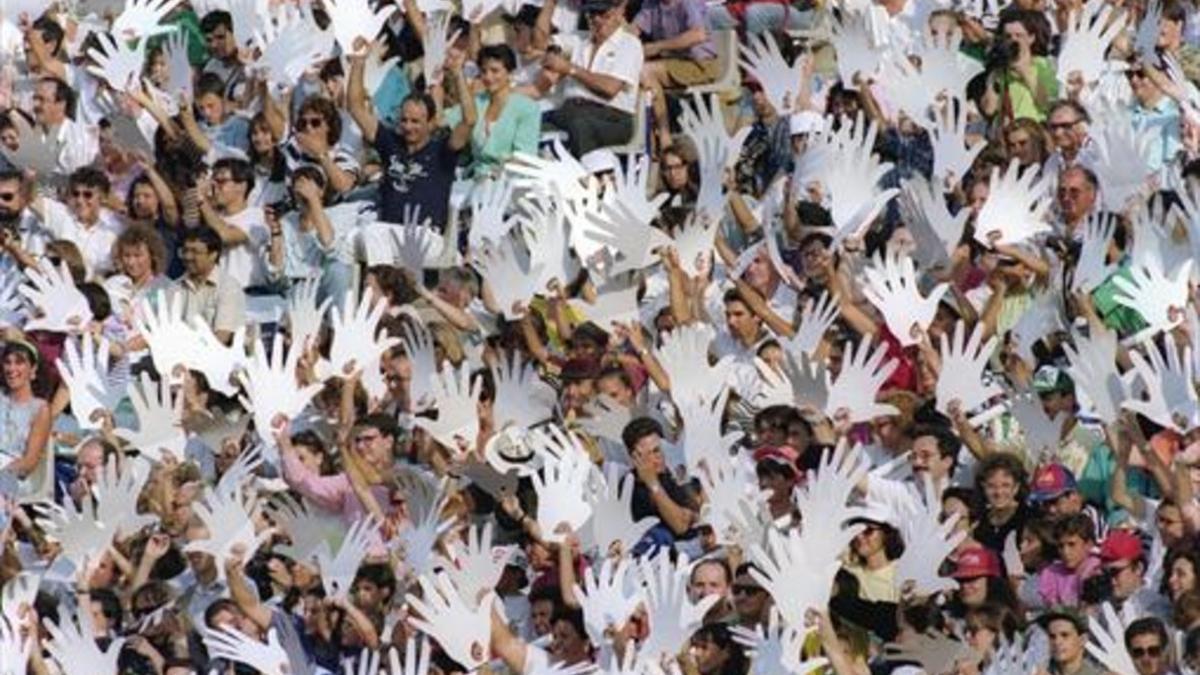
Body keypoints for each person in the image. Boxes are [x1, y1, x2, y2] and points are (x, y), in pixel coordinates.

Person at [541, 0, 645, 155]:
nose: (596, 19)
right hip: (571, 111)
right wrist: (550, 4)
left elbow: (610, 89)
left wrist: (570, 69)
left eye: (603, 14)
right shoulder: (579, 39)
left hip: (612, 117)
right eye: (591, 14)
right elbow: (539, 41)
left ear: (617, 13)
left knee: (580, 126)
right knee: (530, 121)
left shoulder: (629, 44)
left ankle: (585, 176)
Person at [444, 45, 541, 179]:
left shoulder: (527, 108)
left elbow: (524, 156)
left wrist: (495, 174)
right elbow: (443, 121)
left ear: (510, 73)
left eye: (495, 71)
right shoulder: (477, 103)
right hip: (474, 179)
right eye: (484, 71)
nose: (488, 77)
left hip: (509, 182)